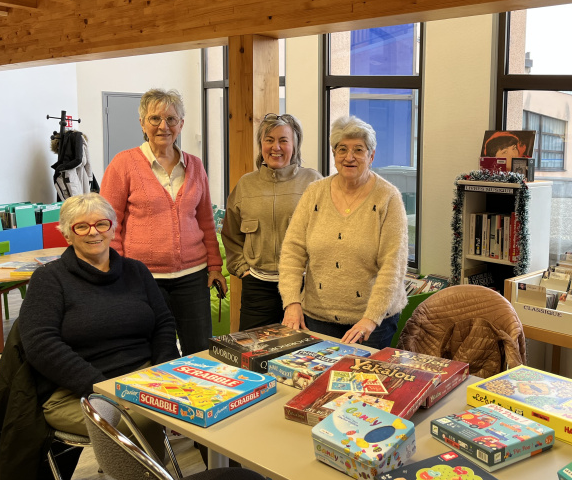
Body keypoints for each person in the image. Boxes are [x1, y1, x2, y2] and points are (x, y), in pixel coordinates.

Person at [17, 193, 179, 480]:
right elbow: (40, 344)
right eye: (81, 226)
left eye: (102, 224)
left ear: (113, 228)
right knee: (137, 421)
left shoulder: (136, 271)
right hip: (74, 391)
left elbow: (163, 323)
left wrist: (163, 371)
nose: (93, 232)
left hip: (140, 378)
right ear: (66, 234)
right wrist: (101, 387)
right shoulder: (49, 279)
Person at [101, 88, 226, 355]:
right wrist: (117, 269)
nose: (163, 126)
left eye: (171, 119)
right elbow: (110, 224)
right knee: (154, 352)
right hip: (143, 277)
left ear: (181, 124)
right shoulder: (123, 164)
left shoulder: (195, 166)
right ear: (142, 123)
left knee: (200, 350)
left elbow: (206, 221)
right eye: (155, 118)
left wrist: (215, 266)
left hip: (193, 277)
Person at [279, 115, 408, 349]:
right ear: (334, 154)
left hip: (371, 323)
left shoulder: (388, 198)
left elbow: (393, 265)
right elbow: (292, 251)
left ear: (371, 156)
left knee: (359, 374)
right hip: (316, 318)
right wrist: (292, 302)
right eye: (342, 149)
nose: (349, 157)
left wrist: (370, 319)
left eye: (358, 149)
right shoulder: (314, 193)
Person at [222, 113, 321, 330]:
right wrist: (242, 269)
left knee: (303, 348)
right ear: (261, 145)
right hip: (258, 287)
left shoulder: (313, 182)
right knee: (251, 347)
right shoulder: (245, 185)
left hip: (304, 287)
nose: (276, 147)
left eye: (283, 140)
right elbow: (231, 233)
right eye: (269, 140)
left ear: (295, 145)